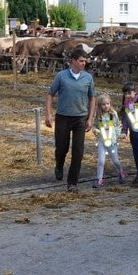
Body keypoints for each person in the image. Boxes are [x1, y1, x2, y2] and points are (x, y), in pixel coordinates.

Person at [44, 49, 95, 192]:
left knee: (78, 150)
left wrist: (90, 118)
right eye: (81, 61)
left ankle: (72, 183)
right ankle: (59, 165)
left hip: (80, 118)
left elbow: (92, 98)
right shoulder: (61, 76)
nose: (83, 63)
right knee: (61, 148)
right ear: (72, 61)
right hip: (63, 117)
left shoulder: (88, 78)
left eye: (85, 61)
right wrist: (48, 114)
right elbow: (50, 94)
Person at [92, 93, 125, 188]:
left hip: (112, 141)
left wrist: (119, 135)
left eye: (108, 103)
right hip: (102, 141)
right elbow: (94, 126)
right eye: (103, 104)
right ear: (99, 105)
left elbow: (117, 125)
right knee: (101, 161)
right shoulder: (98, 116)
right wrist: (95, 130)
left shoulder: (113, 114)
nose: (106, 106)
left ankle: (121, 171)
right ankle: (99, 179)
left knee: (115, 160)